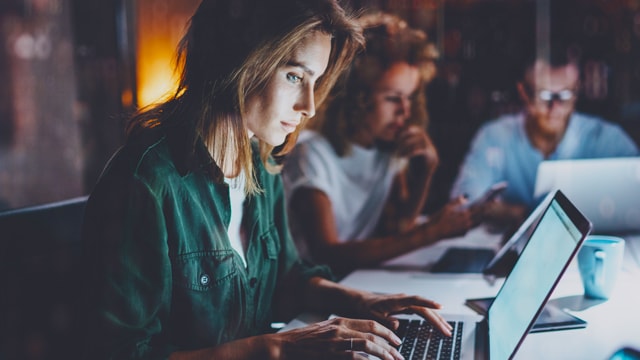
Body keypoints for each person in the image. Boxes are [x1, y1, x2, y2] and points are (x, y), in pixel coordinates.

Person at [80, 1, 454, 359]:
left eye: (316, 80)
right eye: (294, 76)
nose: (308, 105)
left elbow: (287, 276)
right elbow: (121, 353)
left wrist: (363, 300)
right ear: (239, 60)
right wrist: (278, 348)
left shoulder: (261, 161)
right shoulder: (145, 182)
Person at [281, 12, 477, 277]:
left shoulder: (385, 149)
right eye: (393, 98)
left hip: (357, 281)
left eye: (410, 98)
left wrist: (427, 170)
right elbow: (326, 254)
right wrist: (431, 232)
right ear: (357, 98)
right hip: (314, 294)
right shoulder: (311, 152)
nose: (405, 111)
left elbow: (398, 229)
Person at [450, 45, 640, 229]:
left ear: (577, 91)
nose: (555, 108)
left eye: (565, 95)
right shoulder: (495, 137)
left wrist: (512, 212)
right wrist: (523, 214)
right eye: (544, 96)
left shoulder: (605, 138)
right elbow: (463, 204)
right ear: (523, 92)